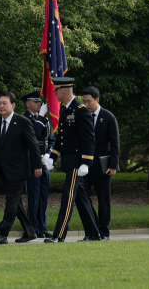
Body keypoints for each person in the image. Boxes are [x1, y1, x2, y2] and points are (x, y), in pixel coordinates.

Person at [45, 77, 101, 243]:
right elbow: (62, 137)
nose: (55, 94)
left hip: (78, 162)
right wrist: (52, 156)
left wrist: (86, 162)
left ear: (63, 91)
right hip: (69, 160)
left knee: (67, 196)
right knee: (80, 197)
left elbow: (89, 138)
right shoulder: (65, 109)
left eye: (56, 91)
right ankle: (93, 232)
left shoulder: (81, 109)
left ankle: (58, 235)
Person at [0, 92, 42, 244]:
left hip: (19, 170)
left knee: (11, 201)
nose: (1, 106)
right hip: (3, 170)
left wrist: (37, 166)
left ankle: (3, 233)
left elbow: (33, 145)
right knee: (16, 203)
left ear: (13, 105)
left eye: (5, 103)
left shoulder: (22, 121)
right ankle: (29, 232)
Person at [80, 86, 120, 241]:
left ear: (97, 100)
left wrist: (113, 165)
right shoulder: (83, 116)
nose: (86, 104)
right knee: (84, 197)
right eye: (83, 101)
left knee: (104, 200)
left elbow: (115, 143)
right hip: (86, 165)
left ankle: (103, 232)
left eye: (88, 101)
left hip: (103, 166)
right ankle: (92, 229)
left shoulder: (108, 117)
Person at [21, 90, 55, 239]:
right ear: (28, 104)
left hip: (44, 163)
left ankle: (42, 227)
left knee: (43, 196)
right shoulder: (24, 119)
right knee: (33, 196)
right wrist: (40, 117)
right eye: (35, 102)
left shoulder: (44, 119)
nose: (39, 104)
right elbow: (33, 136)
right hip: (31, 164)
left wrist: (49, 154)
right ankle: (32, 228)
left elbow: (51, 140)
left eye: (39, 102)